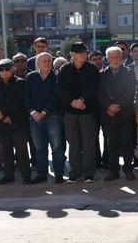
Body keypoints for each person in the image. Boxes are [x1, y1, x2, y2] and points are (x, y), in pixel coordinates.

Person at [57, 42, 99, 183]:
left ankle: (88, 173)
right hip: (70, 112)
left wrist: (82, 100)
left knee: (88, 143)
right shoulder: (64, 69)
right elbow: (61, 90)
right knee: (73, 143)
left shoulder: (92, 68)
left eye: (85, 52)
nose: (84, 55)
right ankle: (74, 173)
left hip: (87, 111)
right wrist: (73, 102)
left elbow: (94, 88)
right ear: (72, 55)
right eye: (80, 52)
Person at [0, 58, 32, 185]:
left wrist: (9, 116)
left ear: (13, 69)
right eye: (1, 70)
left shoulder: (21, 83)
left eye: (7, 69)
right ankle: (8, 175)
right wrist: (0, 115)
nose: (4, 72)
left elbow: (21, 102)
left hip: (18, 122)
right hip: (1, 123)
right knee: (5, 150)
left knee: (22, 150)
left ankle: (26, 175)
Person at [25, 52, 66, 183]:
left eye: (49, 61)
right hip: (35, 118)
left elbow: (56, 96)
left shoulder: (57, 76)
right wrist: (33, 112)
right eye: (44, 61)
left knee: (57, 147)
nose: (47, 63)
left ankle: (59, 173)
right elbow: (26, 97)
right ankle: (42, 175)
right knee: (40, 148)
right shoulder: (31, 76)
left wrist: (43, 113)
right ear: (38, 63)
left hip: (53, 117)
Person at [99, 47, 138, 181]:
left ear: (121, 58)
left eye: (117, 57)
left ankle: (128, 169)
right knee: (112, 145)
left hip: (125, 113)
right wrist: (108, 107)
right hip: (108, 115)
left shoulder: (129, 73)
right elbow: (99, 95)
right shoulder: (102, 74)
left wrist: (117, 106)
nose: (115, 60)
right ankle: (113, 171)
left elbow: (130, 93)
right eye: (112, 58)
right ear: (108, 59)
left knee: (127, 144)